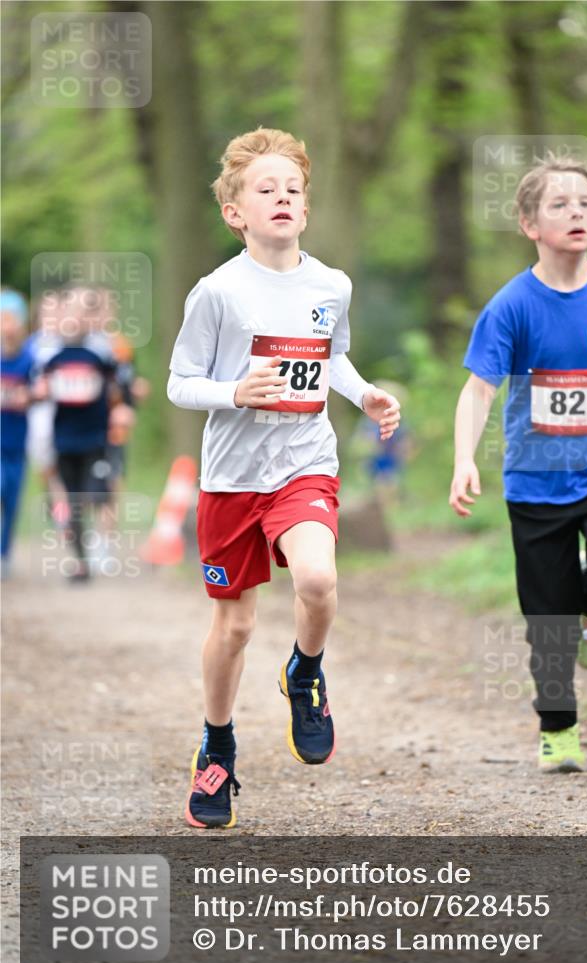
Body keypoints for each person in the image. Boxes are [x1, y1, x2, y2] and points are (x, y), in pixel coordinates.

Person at [167, 127, 400, 829]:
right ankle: (217, 745)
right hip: (232, 479)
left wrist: (365, 395)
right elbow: (180, 382)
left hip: (304, 462)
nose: (282, 197)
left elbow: (332, 359)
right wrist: (234, 393)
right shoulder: (217, 292)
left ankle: (304, 671)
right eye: (265, 189)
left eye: (292, 189)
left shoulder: (331, 285)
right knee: (235, 626)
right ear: (234, 212)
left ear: (305, 206)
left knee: (318, 580)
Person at [449, 153, 587, 773]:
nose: (576, 212)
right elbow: (479, 389)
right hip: (538, 475)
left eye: (585, 203)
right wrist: (464, 458)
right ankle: (559, 729)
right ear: (530, 225)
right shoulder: (512, 305)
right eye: (559, 204)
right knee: (547, 617)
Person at [36, 285, 119, 582]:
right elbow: (39, 390)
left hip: (95, 438)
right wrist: (39, 392)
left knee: (98, 492)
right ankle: (81, 561)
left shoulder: (100, 353)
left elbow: (117, 386)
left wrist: (120, 407)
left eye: (82, 315)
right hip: (64, 440)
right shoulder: (51, 356)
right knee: (72, 503)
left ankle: (101, 546)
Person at [1, 289, 38, 577]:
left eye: (11, 319)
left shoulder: (29, 359)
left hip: (17, 442)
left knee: (12, 500)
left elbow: (41, 390)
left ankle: (4, 553)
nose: (7, 326)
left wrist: (31, 395)